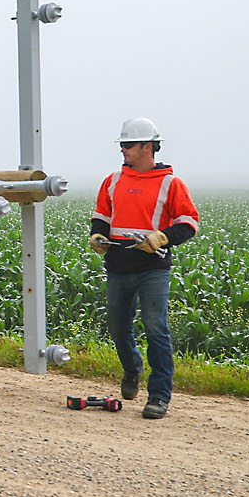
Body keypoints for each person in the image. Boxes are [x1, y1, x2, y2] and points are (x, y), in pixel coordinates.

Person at [89, 116, 200, 419]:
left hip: (153, 268)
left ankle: (159, 396)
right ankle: (132, 368)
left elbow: (188, 223)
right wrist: (97, 235)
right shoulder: (112, 181)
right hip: (118, 265)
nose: (122, 149)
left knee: (156, 328)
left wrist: (162, 237)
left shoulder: (171, 184)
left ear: (147, 147)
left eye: (128, 144)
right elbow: (101, 216)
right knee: (117, 327)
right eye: (122, 144)